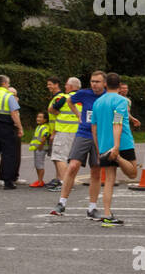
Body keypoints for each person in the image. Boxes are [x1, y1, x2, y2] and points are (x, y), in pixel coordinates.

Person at [54, 71, 105, 218]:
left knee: (96, 171)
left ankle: (92, 207)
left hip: (100, 136)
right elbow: (70, 101)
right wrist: (78, 115)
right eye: (92, 81)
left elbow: (120, 110)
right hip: (83, 133)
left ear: (104, 83)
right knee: (73, 165)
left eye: (98, 82)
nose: (94, 84)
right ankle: (61, 203)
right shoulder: (84, 94)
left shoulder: (107, 96)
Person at [91, 72, 139, 226]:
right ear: (119, 86)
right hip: (123, 142)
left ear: (105, 84)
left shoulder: (98, 102)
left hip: (104, 144)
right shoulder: (121, 101)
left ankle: (106, 214)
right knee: (132, 173)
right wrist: (116, 148)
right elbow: (117, 122)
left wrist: (99, 149)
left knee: (109, 180)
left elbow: (94, 127)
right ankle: (118, 158)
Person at [45, 76, 76, 190]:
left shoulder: (63, 97)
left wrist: (54, 131)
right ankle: (59, 179)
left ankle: (65, 183)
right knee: (58, 157)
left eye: (50, 84)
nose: (48, 86)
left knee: (59, 157)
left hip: (62, 130)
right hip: (71, 131)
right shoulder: (80, 98)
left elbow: (52, 111)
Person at [28, 111, 50, 187]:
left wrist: (40, 146)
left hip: (41, 148)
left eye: (40, 117)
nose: (38, 119)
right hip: (37, 148)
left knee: (39, 164)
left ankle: (40, 181)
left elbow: (45, 136)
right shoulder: (39, 126)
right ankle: (39, 180)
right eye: (37, 117)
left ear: (45, 119)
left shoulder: (44, 127)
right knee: (37, 164)